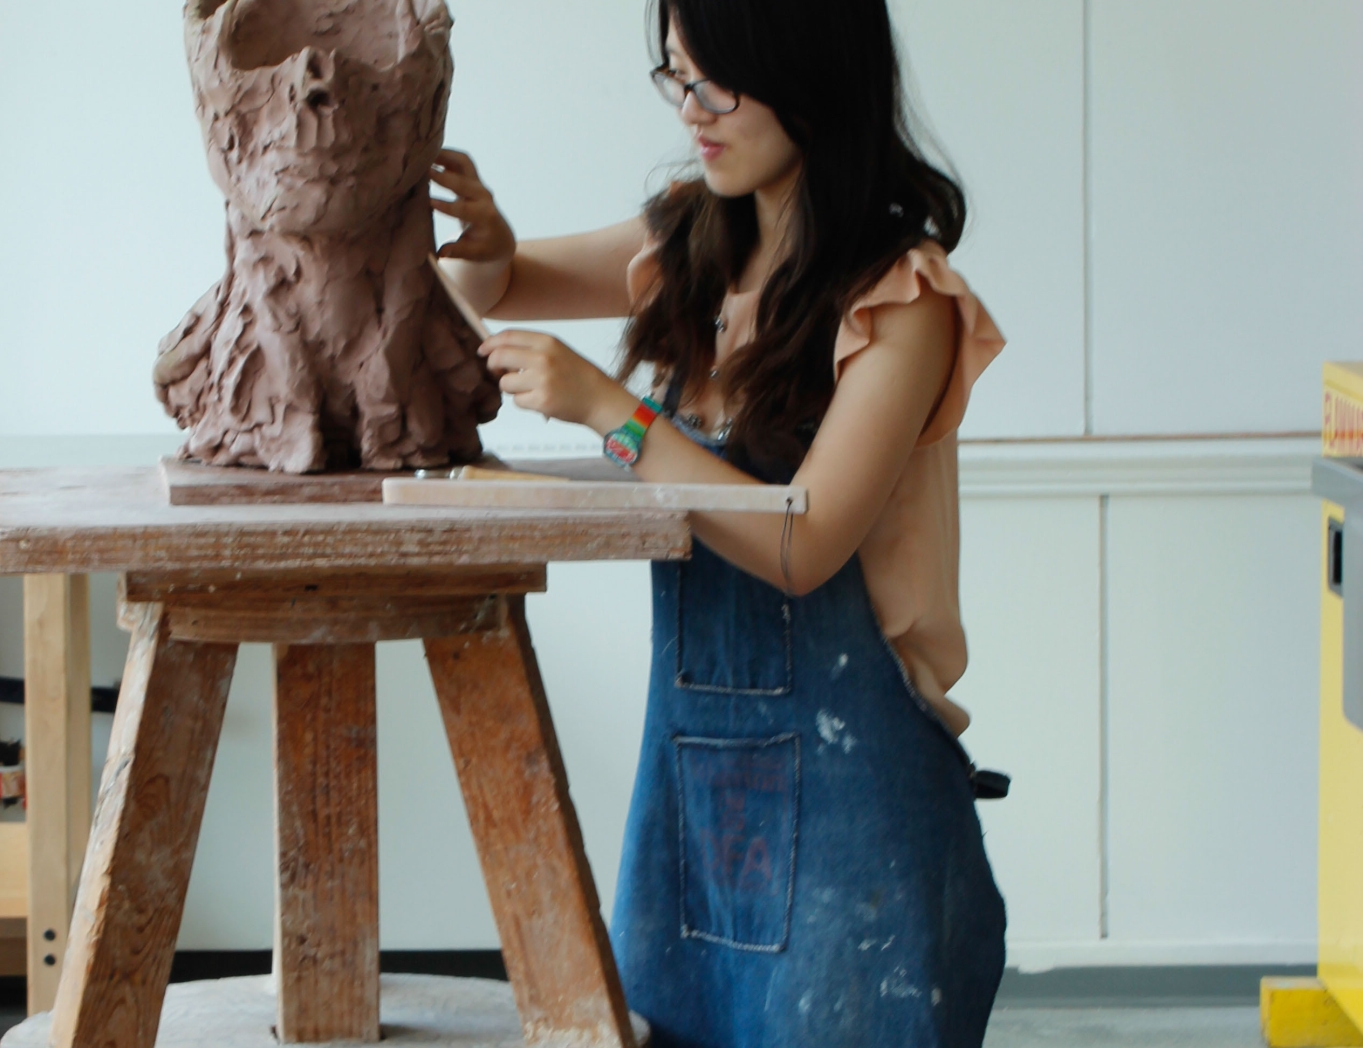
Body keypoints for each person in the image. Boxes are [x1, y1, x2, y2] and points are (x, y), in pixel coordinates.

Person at [431, 0, 1008, 1044]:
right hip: (696, 788)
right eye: (675, 78)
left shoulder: (901, 299)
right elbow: (497, 286)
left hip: (857, 803)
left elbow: (802, 543)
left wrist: (614, 412)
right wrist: (485, 241)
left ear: (807, 73)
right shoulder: (694, 237)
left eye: (714, 83)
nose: (690, 111)